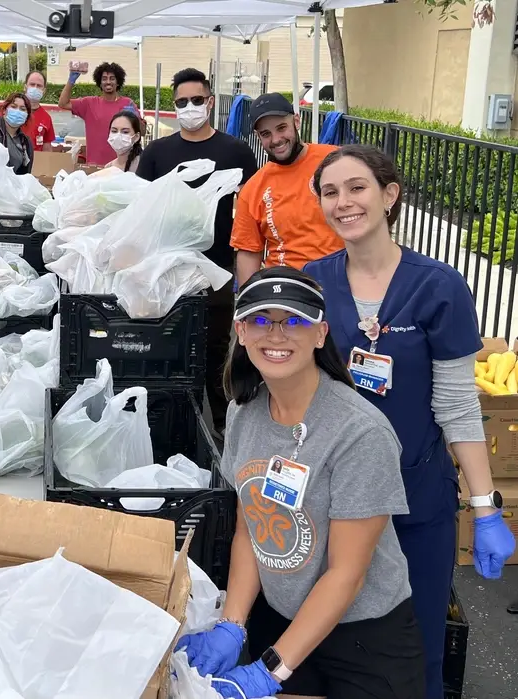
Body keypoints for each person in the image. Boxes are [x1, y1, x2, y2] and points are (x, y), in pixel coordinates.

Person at [304, 144, 516, 699]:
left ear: (389, 195)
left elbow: (456, 404)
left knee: (416, 644)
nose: (344, 202)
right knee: (333, 639)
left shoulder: (438, 286)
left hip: (414, 499)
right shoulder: (313, 281)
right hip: (334, 499)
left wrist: (485, 506)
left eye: (357, 188)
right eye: (330, 192)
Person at [177, 266, 426, 699]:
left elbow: (346, 574)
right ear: (240, 330)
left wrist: (268, 671)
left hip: (364, 636)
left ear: (319, 334)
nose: (276, 334)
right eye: (260, 319)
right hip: (281, 618)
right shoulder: (243, 412)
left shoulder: (359, 433)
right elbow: (249, 530)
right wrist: (232, 625)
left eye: (294, 320)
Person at [136, 68, 259, 438]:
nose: (188, 107)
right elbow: (139, 208)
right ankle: (170, 422)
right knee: (168, 340)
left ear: (210, 101)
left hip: (216, 266)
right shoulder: (158, 152)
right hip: (166, 268)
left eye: (195, 100)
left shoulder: (235, 151)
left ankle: (223, 424)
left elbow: (251, 207)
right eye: (181, 102)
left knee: (217, 346)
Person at [231, 92, 343, 286]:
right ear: (258, 137)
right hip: (287, 292)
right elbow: (249, 251)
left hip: (344, 281)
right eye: (266, 134)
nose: (276, 139)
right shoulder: (253, 189)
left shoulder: (335, 160)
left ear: (296, 122)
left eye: (281, 128)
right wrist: (247, 304)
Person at [57, 61, 136, 166]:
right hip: (94, 166)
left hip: (122, 166)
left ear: (118, 82)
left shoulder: (128, 103)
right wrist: (71, 80)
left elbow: (142, 132)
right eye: (104, 79)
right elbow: (63, 103)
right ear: (99, 82)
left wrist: (136, 118)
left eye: (112, 78)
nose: (108, 82)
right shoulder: (89, 103)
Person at [0, 92, 33, 175]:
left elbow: (25, 173)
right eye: (14, 107)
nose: (18, 111)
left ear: (27, 116)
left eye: (22, 109)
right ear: (4, 110)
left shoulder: (25, 142)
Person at [20, 70, 55, 151]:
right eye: (32, 84)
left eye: (39, 86)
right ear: (25, 87)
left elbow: (47, 148)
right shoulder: (11, 109)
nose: (35, 88)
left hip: (36, 161)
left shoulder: (46, 118)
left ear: (44, 90)